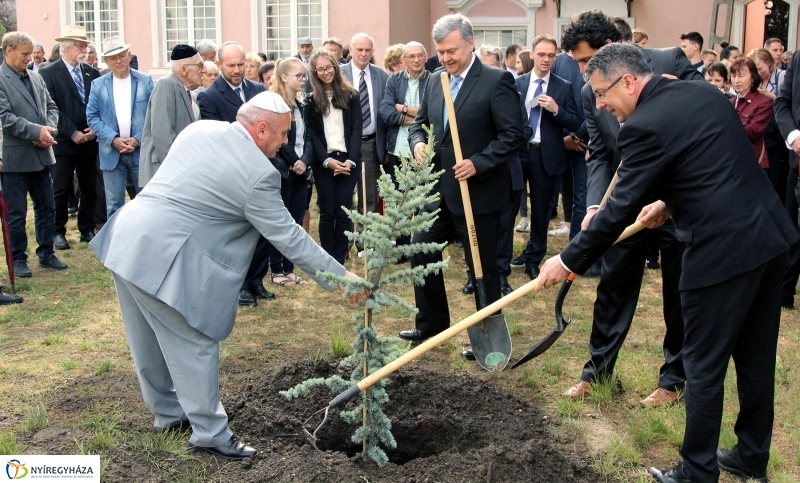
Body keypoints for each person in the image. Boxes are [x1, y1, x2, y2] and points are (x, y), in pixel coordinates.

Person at [536, 41, 796, 483]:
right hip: (768, 240)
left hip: (721, 255)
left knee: (703, 365)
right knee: (755, 359)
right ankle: (752, 456)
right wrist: (670, 204)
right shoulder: (699, 94)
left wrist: (568, 258)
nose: (599, 104)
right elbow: (710, 162)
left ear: (630, 81)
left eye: (602, 93)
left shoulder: (643, 126)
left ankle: (697, 471)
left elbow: (616, 209)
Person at [90, 91, 369, 461]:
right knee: (195, 338)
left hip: (127, 237)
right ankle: (209, 432)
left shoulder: (200, 130)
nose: (286, 142)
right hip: (165, 253)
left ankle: (169, 415)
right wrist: (342, 279)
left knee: (147, 336)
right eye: (283, 134)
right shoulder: (258, 175)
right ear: (261, 128)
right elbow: (290, 238)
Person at [560, 10, 703, 407]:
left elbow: (706, 117)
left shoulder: (670, 62)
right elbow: (600, 152)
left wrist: (670, 199)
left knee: (679, 291)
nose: (584, 72)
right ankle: (598, 372)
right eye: (578, 65)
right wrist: (594, 203)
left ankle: (674, 380)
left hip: (676, 200)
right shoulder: (592, 93)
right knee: (614, 286)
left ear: (609, 50)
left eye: (588, 62)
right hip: (626, 201)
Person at [397, 13, 523, 344]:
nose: (446, 57)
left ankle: (488, 337)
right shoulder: (436, 81)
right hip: (438, 190)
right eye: (441, 51)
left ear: (470, 43)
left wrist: (479, 163)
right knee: (420, 250)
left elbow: (513, 134)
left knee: (481, 267)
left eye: (452, 50)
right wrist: (419, 142)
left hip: (478, 192)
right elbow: (418, 123)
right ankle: (431, 325)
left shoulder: (496, 81)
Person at [198, 41, 271, 306]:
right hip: (231, 172)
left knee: (262, 230)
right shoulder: (209, 96)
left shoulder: (258, 90)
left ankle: (256, 279)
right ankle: (238, 285)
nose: (238, 70)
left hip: (260, 169)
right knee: (238, 232)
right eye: (232, 65)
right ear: (219, 65)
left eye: (242, 64)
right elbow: (218, 137)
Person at [512, 35, 581, 284]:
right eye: (541, 54)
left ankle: (534, 258)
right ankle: (506, 258)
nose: (546, 60)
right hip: (519, 153)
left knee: (541, 211)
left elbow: (575, 121)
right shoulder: (517, 83)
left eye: (551, 55)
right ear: (532, 54)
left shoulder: (563, 86)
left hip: (547, 154)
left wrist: (556, 109)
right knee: (511, 207)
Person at [0, 31, 64, 279]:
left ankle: (47, 253)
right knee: (16, 213)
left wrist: (47, 129)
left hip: (42, 155)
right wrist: (37, 132)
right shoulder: (2, 79)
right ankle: (17, 259)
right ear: (8, 51)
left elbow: (51, 106)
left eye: (30, 53)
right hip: (15, 160)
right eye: (25, 53)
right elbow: (5, 118)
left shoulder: (36, 78)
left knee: (47, 207)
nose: (29, 58)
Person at [39, 25, 101, 249]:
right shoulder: (48, 73)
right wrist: (71, 132)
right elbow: (50, 106)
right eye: (80, 45)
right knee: (61, 187)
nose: (84, 49)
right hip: (64, 141)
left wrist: (94, 128)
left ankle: (87, 228)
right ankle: (58, 231)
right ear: (66, 47)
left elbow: (96, 104)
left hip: (89, 139)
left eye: (85, 45)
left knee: (89, 187)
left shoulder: (92, 72)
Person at [86, 36, 154, 219]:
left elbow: (153, 114)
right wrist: (113, 139)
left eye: (122, 55)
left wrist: (138, 138)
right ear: (106, 61)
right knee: (114, 205)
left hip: (140, 153)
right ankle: (116, 246)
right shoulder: (98, 85)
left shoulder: (146, 81)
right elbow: (92, 117)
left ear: (129, 55)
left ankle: (144, 245)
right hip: (111, 153)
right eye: (113, 58)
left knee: (147, 203)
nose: (119, 61)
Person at [306, 49, 362, 264]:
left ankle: (341, 257)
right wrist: (327, 161)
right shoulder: (311, 100)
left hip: (348, 160)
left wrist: (350, 160)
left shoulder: (350, 95)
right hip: (324, 162)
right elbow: (312, 134)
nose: (326, 72)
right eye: (320, 69)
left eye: (329, 67)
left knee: (345, 210)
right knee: (328, 211)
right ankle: (328, 258)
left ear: (336, 67)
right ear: (315, 72)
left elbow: (357, 129)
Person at [266, 57, 313, 287]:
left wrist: (305, 162)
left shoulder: (301, 104)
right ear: (284, 77)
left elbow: (309, 137)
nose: (304, 79)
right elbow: (280, 140)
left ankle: (289, 268)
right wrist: (296, 162)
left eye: (305, 75)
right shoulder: (275, 104)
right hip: (283, 170)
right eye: (299, 75)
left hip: (300, 171)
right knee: (281, 222)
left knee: (295, 221)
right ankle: (276, 270)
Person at [341, 33, 389, 245]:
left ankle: (364, 238)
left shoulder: (381, 75)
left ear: (372, 52)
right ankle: (345, 237)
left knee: (369, 192)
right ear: (350, 50)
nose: (363, 53)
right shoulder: (338, 74)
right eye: (358, 49)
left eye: (367, 50)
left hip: (370, 142)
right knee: (343, 192)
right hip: (342, 143)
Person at [139, 44, 204, 187]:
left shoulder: (189, 92)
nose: (203, 70)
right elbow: (163, 137)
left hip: (182, 171)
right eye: (200, 65)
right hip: (165, 173)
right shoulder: (166, 85)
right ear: (183, 69)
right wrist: (176, 171)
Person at [749, 48, 789, 202]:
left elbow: (785, 102)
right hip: (761, 134)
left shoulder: (782, 77)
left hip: (777, 133)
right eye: (755, 70)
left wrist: (770, 96)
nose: (759, 73)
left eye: (760, 68)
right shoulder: (754, 80)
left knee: (777, 180)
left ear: (769, 64)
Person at [729, 57, 773, 176]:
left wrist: (728, 126)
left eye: (741, 76)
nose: (736, 80)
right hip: (731, 162)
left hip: (753, 162)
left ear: (752, 77)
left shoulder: (763, 101)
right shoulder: (730, 102)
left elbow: (754, 131)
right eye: (733, 76)